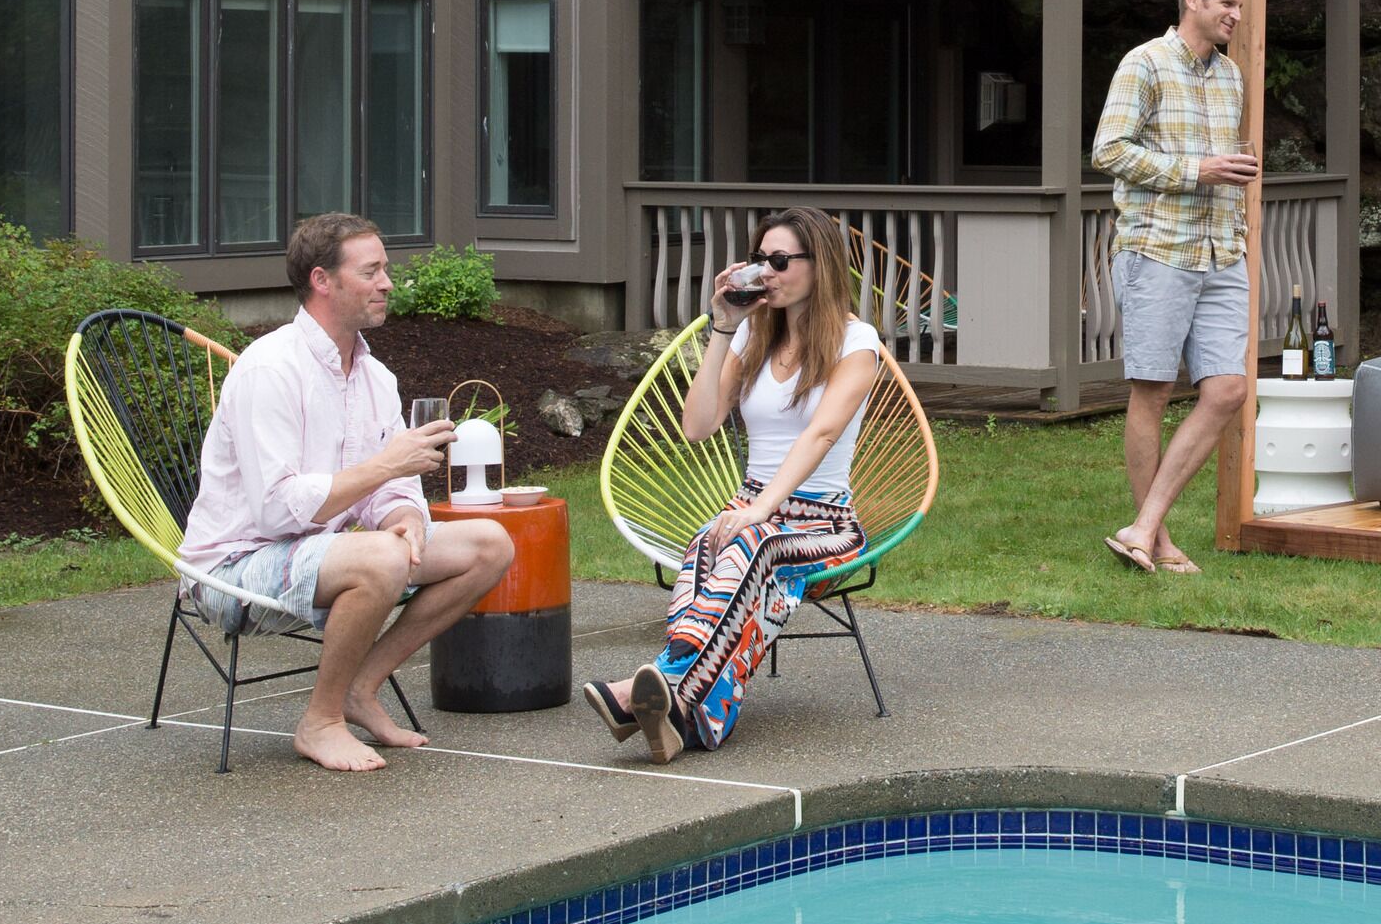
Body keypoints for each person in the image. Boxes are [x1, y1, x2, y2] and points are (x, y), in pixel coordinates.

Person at [178, 210, 517, 774]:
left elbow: (390, 487)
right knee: (381, 559)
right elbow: (275, 509)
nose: (387, 283)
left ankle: (362, 685)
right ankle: (320, 720)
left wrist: (405, 513)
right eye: (371, 271)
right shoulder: (271, 369)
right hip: (235, 565)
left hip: (321, 553)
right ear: (322, 280)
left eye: (386, 269)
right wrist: (385, 467)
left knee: (490, 544)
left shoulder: (374, 377)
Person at [581, 204, 881, 762]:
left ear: (822, 265)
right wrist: (723, 327)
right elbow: (698, 427)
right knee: (708, 544)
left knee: (749, 543)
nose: (766, 271)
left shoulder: (856, 342)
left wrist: (763, 509)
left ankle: (650, 688)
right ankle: (685, 719)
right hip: (752, 510)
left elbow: (820, 435)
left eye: (780, 259)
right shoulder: (754, 338)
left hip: (825, 522)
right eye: (759, 259)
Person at [1091, 0, 1259, 578]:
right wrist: (1197, 170)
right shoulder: (1144, 63)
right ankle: (1154, 539)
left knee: (1228, 389)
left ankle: (1142, 525)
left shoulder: (1231, 75)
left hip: (1221, 250)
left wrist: (1228, 178)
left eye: (1238, 8)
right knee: (1154, 390)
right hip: (1157, 248)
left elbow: (1221, 159)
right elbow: (1109, 149)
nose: (1235, 18)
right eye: (1227, 6)